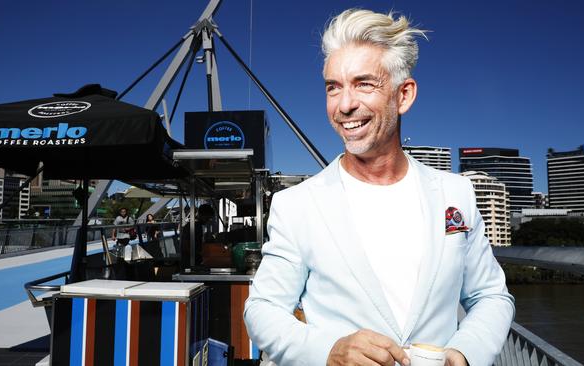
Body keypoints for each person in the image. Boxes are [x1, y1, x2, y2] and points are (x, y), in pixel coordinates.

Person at [244, 9, 514, 366]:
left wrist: (464, 353)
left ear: (404, 95)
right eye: (333, 87)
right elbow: (262, 310)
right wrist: (328, 351)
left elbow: (491, 296)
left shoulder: (455, 194)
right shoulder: (297, 205)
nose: (345, 105)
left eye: (364, 83)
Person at [180, 203, 215, 268]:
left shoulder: (196, 226)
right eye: (207, 218)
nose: (208, 220)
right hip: (190, 263)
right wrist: (200, 253)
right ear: (202, 215)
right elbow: (186, 245)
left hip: (193, 261)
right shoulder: (193, 226)